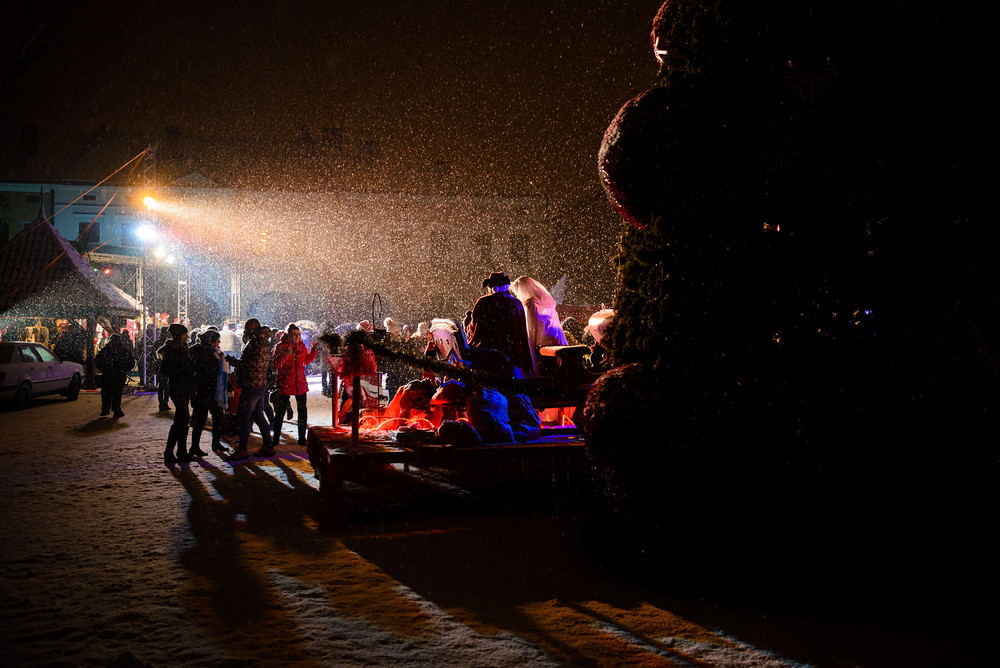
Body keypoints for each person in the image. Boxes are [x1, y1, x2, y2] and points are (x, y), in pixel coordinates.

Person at [466, 271, 533, 377]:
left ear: (490, 287)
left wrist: (467, 325)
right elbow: (521, 331)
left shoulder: (483, 302)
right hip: (512, 355)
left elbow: (474, 329)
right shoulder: (515, 303)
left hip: (486, 354)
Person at [225, 323, 273, 459]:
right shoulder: (265, 343)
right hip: (260, 383)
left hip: (252, 384)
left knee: (244, 416)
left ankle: (242, 449)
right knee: (258, 415)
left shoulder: (255, 343)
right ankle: (268, 445)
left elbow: (250, 364)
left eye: (247, 328)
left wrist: (233, 361)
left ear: (252, 329)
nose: (245, 331)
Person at [271, 323, 319, 446]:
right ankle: (276, 437)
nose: (297, 337)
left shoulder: (301, 346)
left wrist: (314, 350)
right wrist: (287, 354)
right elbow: (276, 365)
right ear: (288, 334)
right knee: (281, 411)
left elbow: (306, 361)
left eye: (299, 334)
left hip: (300, 382)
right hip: (286, 382)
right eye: (295, 334)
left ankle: (302, 438)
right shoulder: (280, 346)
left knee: (302, 410)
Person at [510, 275, 568, 377]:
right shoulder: (545, 301)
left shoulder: (530, 304)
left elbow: (531, 329)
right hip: (554, 341)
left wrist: (530, 352)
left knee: (547, 375)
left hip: (541, 346)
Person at [157, 323, 193, 463]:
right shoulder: (172, 350)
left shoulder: (181, 348)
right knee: (182, 419)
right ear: (179, 336)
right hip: (178, 386)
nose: (186, 338)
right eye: (184, 335)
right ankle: (173, 451)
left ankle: (177, 451)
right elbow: (166, 370)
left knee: (182, 420)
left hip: (182, 386)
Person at [189, 330, 229, 455]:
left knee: (212, 417)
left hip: (210, 391)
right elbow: (206, 372)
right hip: (206, 391)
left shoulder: (213, 353)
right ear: (211, 341)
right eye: (217, 340)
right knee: (204, 418)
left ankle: (212, 443)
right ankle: (198, 446)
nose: (219, 342)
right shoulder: (207, 353)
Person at [332, 329, 378, 423]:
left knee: (354, 406)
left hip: (357, 384)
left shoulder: (358, 352)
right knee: (352, 405)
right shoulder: (361, 352)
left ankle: (348, 421)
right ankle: (349, 421)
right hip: (354, 384)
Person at [94, 333, 135, 418]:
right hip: (118, 375)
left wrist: (104, 368)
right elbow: (131, 362)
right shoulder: (122, 351)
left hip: (108, 375)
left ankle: (105, 409)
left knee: (106, 392)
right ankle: (116, 409)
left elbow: (97, 361)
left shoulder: (106, 350)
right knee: (117, 392)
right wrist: (124, 369)